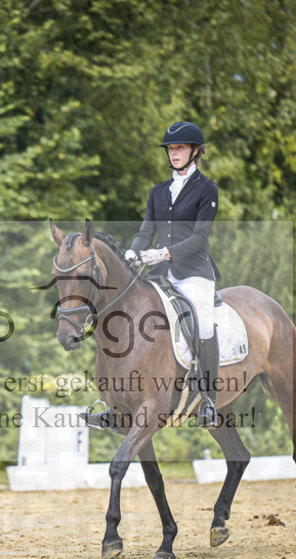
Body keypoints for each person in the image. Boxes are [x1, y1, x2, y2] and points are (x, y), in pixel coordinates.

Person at [126, 121, 221, 428]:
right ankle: (117, 397)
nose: (174, 153)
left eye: (179, 148)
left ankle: (208, 399)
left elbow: (199, 239)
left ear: (195, 151)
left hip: (194, 273)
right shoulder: (158, 192)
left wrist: (164, 253)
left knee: (203, 323)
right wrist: (132, 251)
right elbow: (145, 232)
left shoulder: (207, 189)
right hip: (161, 274)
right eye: (170, 148)